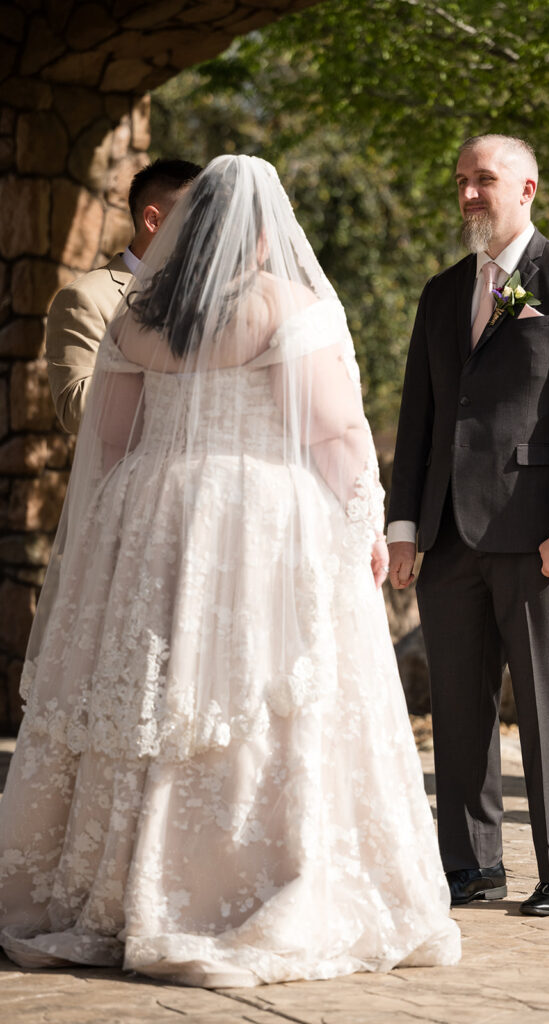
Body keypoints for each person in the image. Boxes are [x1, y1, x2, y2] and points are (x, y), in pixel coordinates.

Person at [0, 155, 460, 986]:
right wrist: (364, 519)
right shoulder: (295, 305)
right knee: (260, 691)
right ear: (258, 229)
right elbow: (335, 434)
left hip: (150, 509)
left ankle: (115, 883)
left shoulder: (140, 314)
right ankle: (246, 880)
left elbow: (108, 437)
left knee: (149, 691)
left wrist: (112, 532)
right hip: (260, 517)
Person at [387, 134, 549, 917]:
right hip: (449, 534)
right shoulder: (440, 292)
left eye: (480, 180)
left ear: (526, 188)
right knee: (457, 708)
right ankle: (470, 865)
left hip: (538, 535)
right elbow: (418, 418)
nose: (465, 194)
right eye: (458, 180)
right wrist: (402, 528)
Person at [46, 158, 202, 433]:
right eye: (196, 219)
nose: (207, 233)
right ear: (153, 219)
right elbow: (75, 409)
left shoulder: (210, 292)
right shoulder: (84, 298)